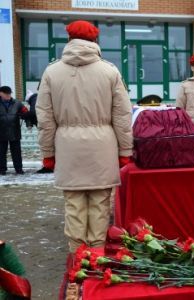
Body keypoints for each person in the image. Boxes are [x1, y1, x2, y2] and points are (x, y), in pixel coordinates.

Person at [36, 20, 133, 253]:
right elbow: (122, 115)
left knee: (74, 204)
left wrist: (48, 153)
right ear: (95, 41)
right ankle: (97, 253)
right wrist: (125, 152)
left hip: (68, 148)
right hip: (103, 146)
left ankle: (77, 256)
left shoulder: (51, 72)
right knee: (99, 203)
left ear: (68, 39)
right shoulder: (109, 71)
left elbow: (45, 119)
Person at [0, 86, 29, 175]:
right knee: (1, 153)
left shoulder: (17, 103)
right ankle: (2, 170)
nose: (8, 95)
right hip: (1, 132)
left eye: (9, 93)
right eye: (6, 94)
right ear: (1, 93)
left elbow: (26, 113)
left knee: (16, 152)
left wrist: (29, 123)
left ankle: (19, 169)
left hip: (14, 131)